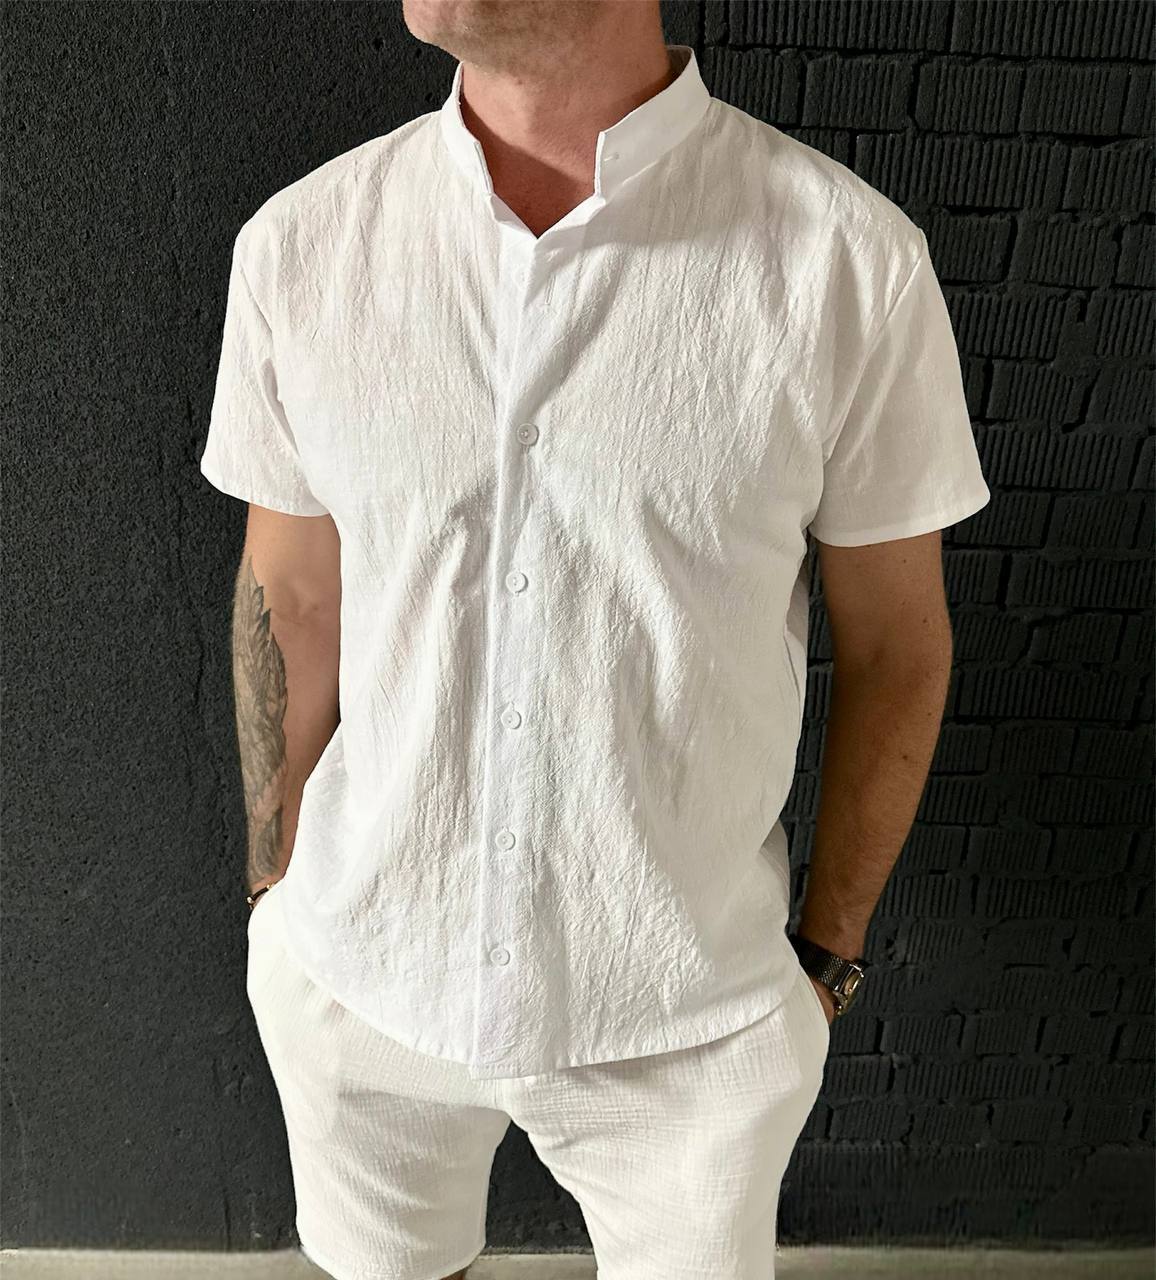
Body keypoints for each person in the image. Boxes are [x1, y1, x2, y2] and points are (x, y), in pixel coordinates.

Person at [199, 2, 991, 1277]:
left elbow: (897, 643)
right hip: (357, 972)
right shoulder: (302, 248)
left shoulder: (848, 265)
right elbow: (290, 594)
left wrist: (824, 963)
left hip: (686, 1014)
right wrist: (273, 899)